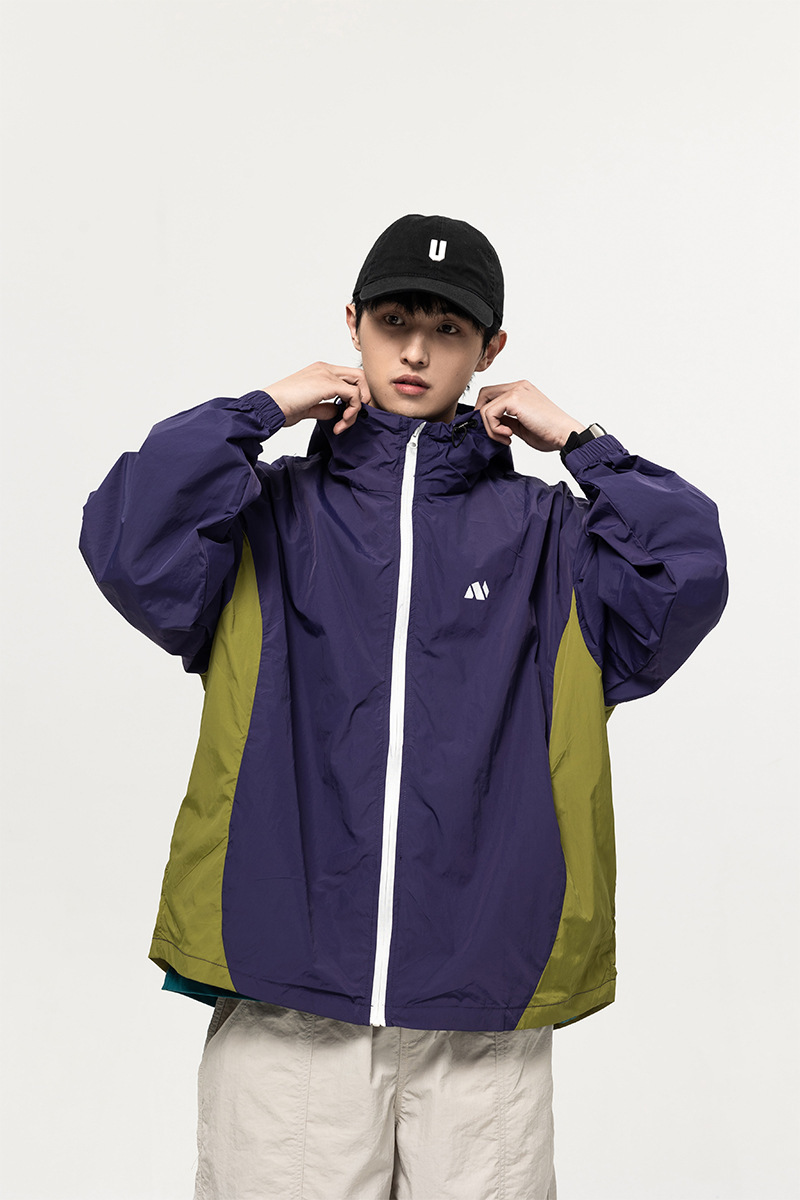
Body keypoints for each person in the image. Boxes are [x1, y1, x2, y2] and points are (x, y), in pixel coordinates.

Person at [79, 213, 728, 1200]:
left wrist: (581, 443)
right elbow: (128, 533)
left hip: (483, 1012)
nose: (417, 351)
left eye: (447, 329)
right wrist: (263, 406)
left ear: (489, 349)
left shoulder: (549, 540)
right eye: (394, 323)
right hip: (287, 1003)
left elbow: (686, 570)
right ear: (353, 324)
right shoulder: (264, 519)